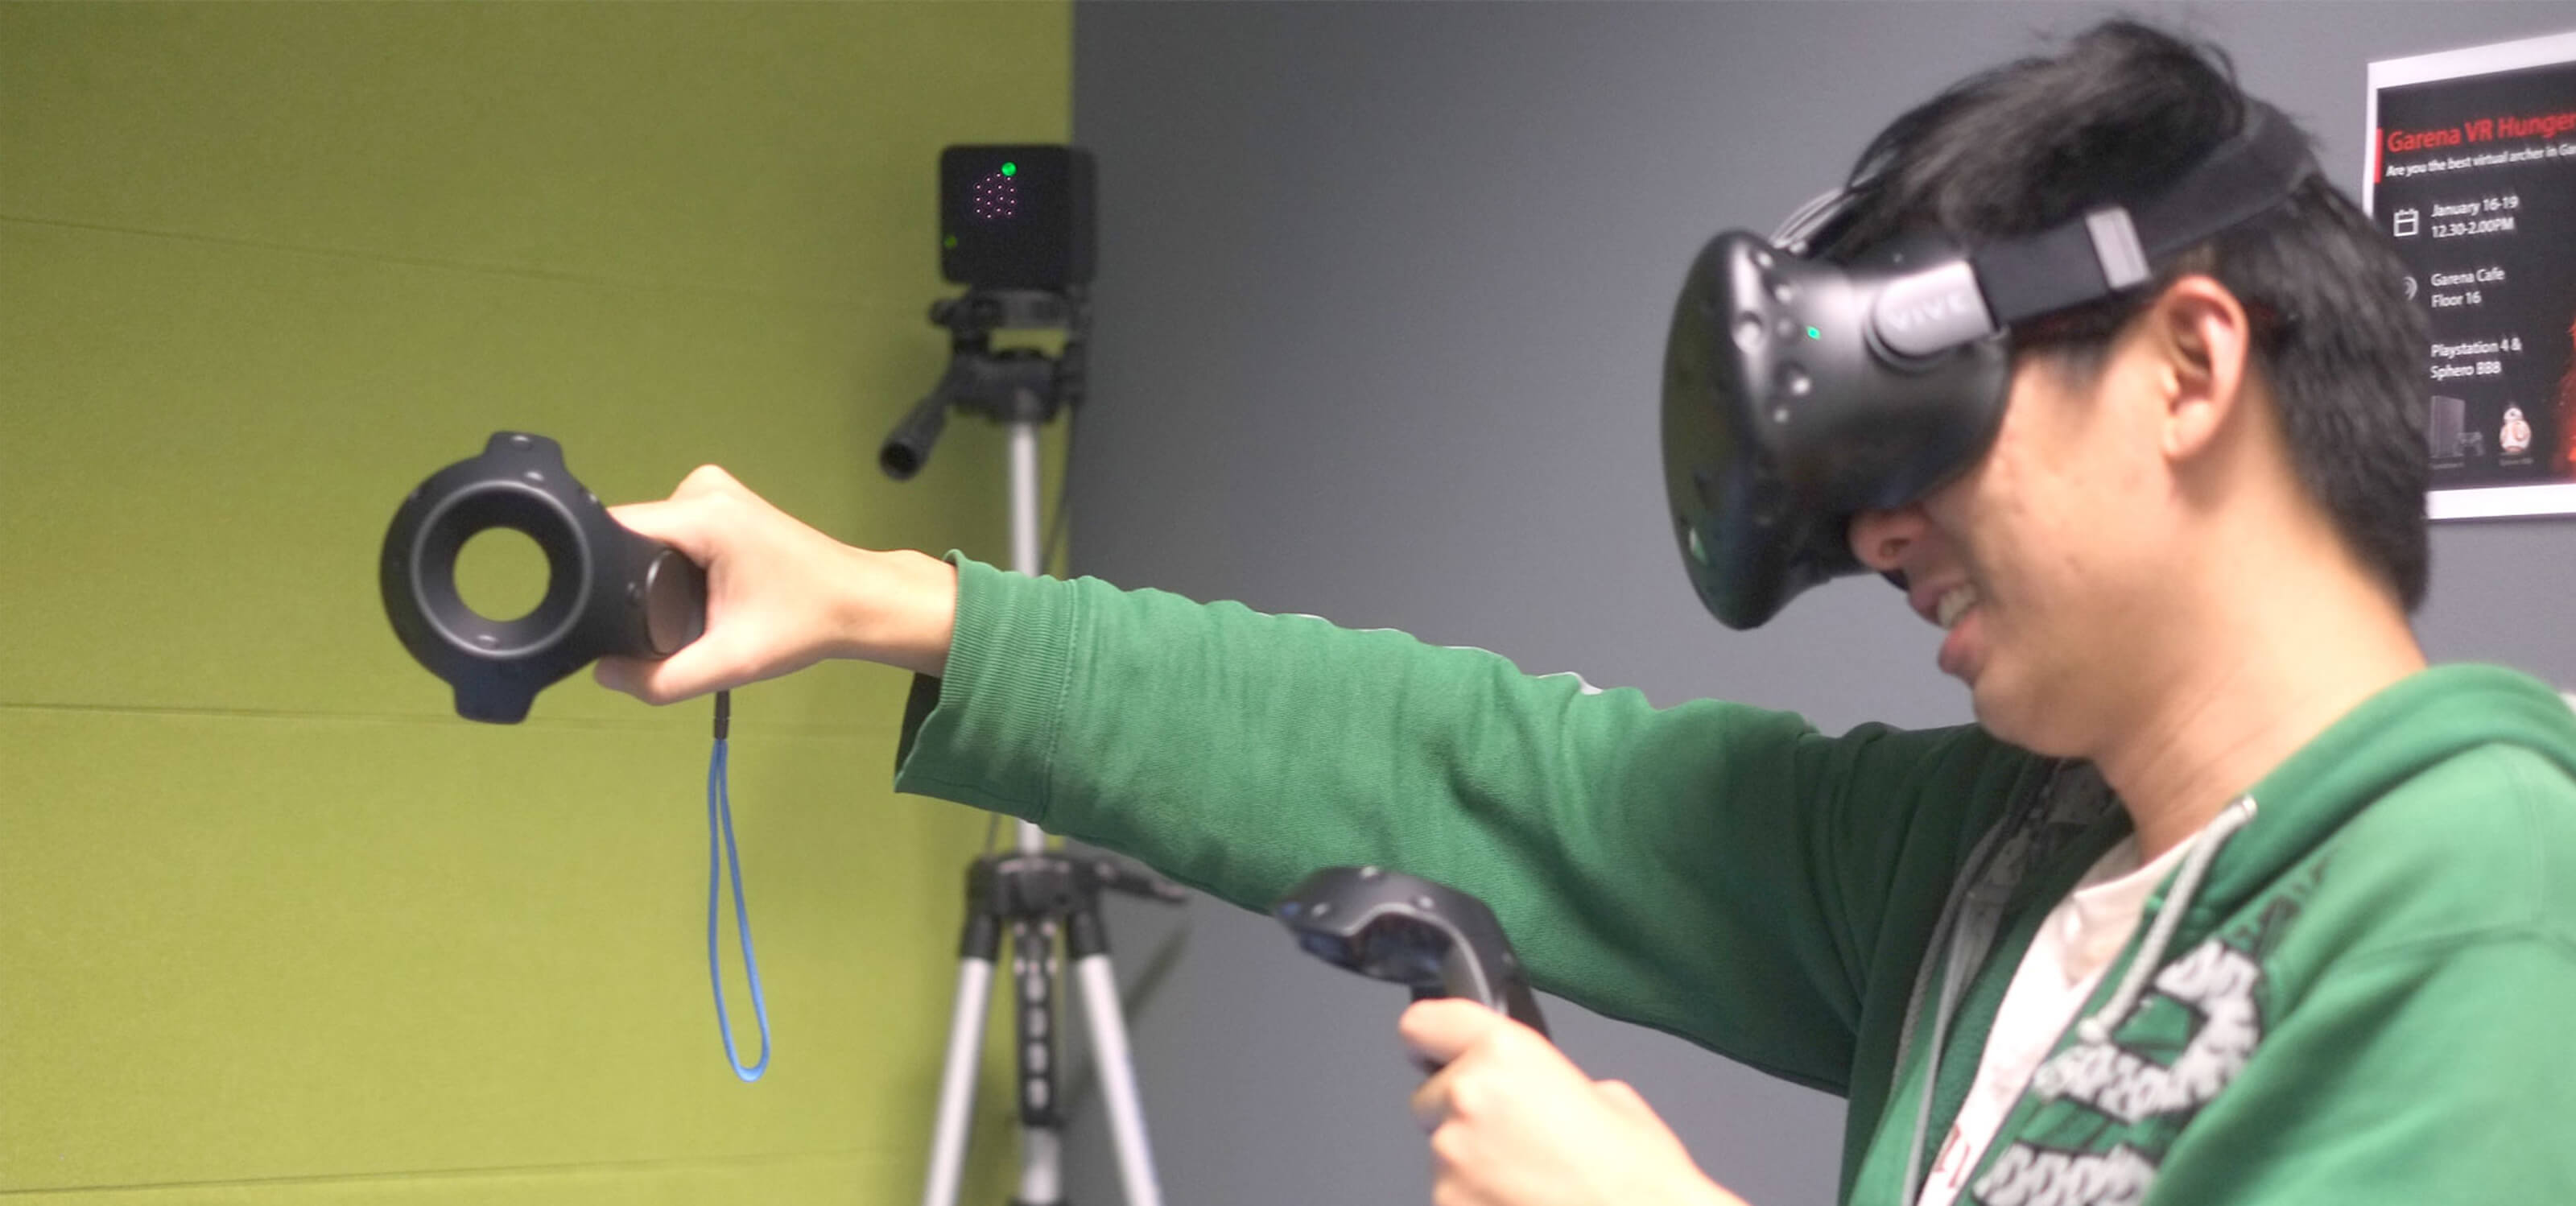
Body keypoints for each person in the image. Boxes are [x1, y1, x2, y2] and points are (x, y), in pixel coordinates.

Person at [597, 21, 2576, 1206]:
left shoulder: (2483, 898)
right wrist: (890, 601)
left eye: (1925, 435)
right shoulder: (1998, 856)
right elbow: (1468, 770)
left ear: (2185, 365)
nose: (1880, 538)